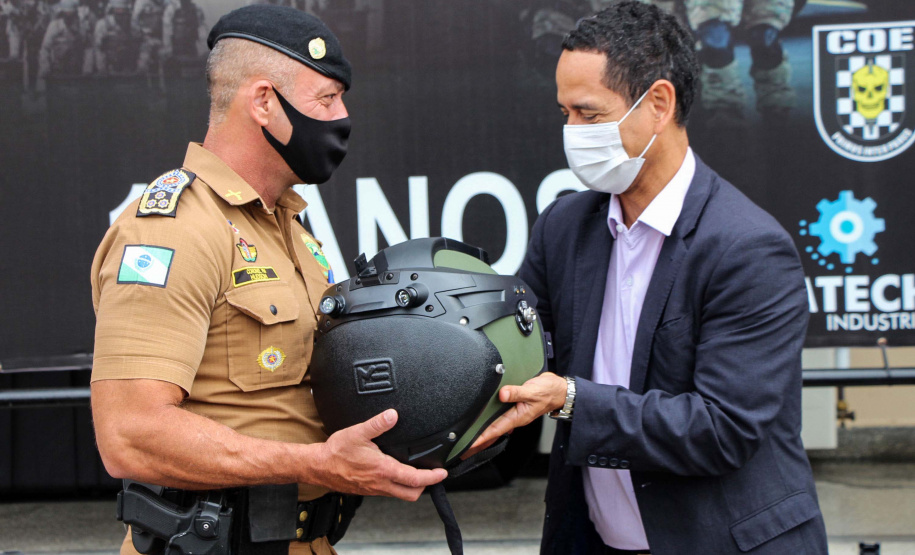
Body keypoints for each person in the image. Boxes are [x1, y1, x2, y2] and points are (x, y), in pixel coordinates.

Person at [469, 3, 828, 554]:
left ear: (658, 103)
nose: (572, 132)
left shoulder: (748, 248)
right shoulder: (564, 227)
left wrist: (569, 399)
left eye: (589, 114)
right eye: (564, 112)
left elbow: (721, 428)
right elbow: (513, 348)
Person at [89, 5, 446, 555]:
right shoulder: (174, 230)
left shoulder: (292, 228)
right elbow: (130, 435)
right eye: (326, 99)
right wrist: (314, 464)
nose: (341, 116)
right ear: (263, 102)